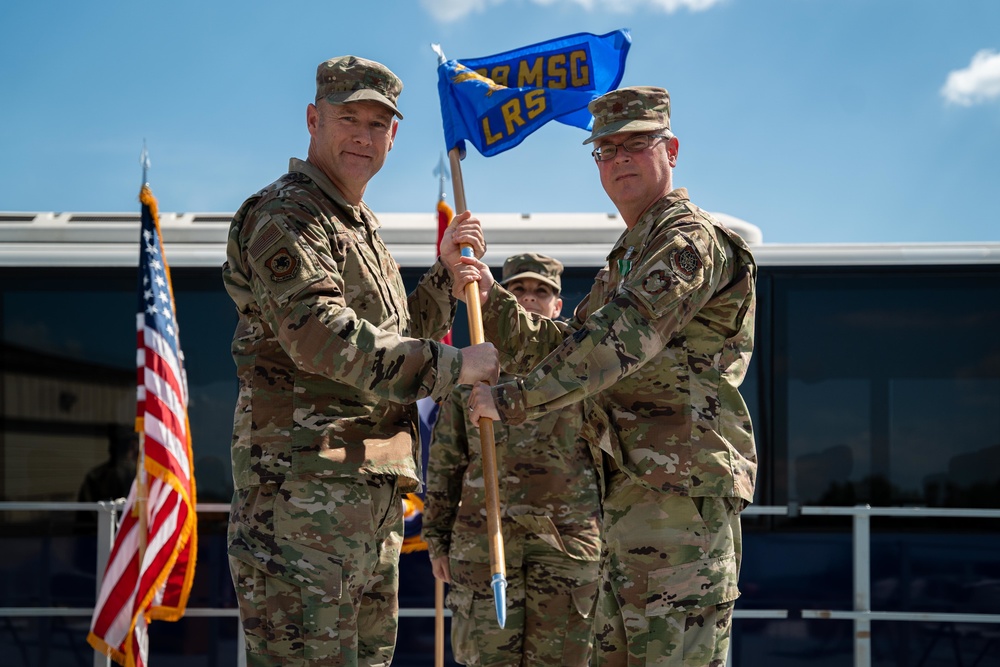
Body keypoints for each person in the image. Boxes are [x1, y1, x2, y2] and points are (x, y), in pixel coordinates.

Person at [456, 86, 758, 666]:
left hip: (679, 496)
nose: (620, 159)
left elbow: (619, 343)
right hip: (626, 491)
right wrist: (490, 299)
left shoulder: (685, 241)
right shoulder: (631, 253)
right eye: (606, 149)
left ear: (670, 149)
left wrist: (513, 400)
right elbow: (572, 343)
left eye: (636, 145)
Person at [221, 55, 498, 667]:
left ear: (394, 137)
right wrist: (456, 367)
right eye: (349, 118)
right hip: (301, 506)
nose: (363, 136)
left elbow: (393, 336)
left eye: (378, 124)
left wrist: (446, 280)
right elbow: (322, 339)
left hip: (366, 502)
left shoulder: (358, 226)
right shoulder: (286, 215)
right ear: (314, 120)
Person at [423, 253, 602, 667]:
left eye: (542, 292)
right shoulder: (472, 369)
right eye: (518, 289)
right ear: (498, 297)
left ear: (557, 306)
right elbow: (446, 461)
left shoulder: (583, 373)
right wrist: (437, 540)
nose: (529, 299)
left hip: (566, 545)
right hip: (483, 543)